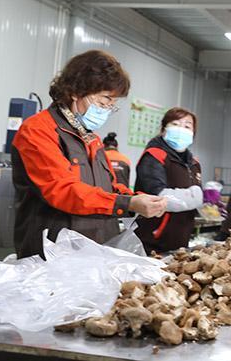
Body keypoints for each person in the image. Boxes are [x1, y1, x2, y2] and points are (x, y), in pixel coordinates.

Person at [12, 50, 167, 259]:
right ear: (76, 91)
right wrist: (125, 204)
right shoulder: (38, 131)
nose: (106, 110)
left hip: (95, 250)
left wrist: (136, 199)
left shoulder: (90, 137)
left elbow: (109, 187)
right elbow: (62, 190)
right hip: (54, 255)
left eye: (112, 105)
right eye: (104, 101)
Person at [134, 107, 202, 254]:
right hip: (153, 241)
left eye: (187, 126)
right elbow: (158, 197)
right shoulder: (154, 156)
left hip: (180, 240)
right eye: (175, 124)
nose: (181, 129)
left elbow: (198, 195)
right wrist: (195, 197)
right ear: (164, 129)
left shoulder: (194, 163)